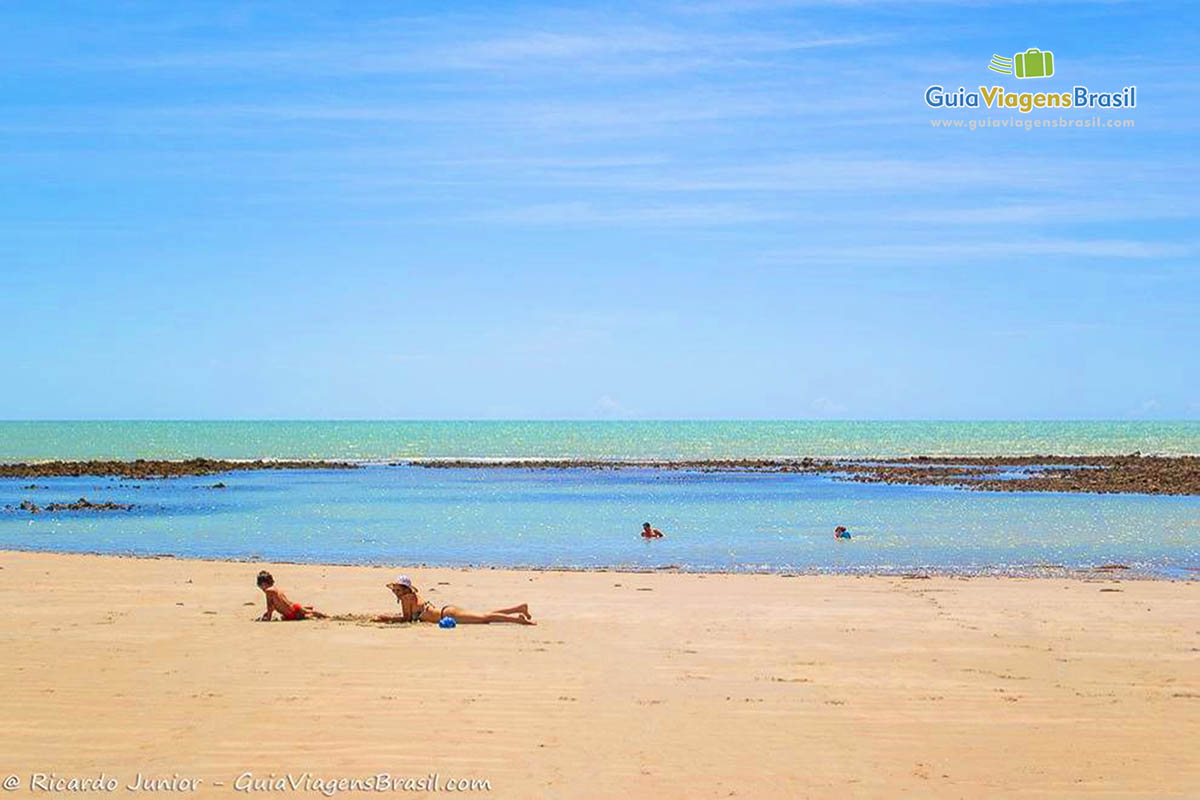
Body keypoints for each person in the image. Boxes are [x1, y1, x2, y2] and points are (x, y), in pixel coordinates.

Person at [375, 575, 534, 625]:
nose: (395, 592)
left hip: (447, 615)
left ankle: (519, 621)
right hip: (446, 611)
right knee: (484, 615)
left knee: (485, 618)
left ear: (405, 590)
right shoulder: (412, 596)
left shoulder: (406, 598)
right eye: (394, 590)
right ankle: (519, 608)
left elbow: (407, 619)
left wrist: (386, 618)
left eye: (398, 590)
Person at [255, 570, 328, 621]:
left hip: (290, 614)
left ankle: (316, 614)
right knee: (308, 612)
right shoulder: (275, 589)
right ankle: (326, 616)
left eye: (260, 585)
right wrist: (266, 614)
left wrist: (268, 619)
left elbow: (270, 607)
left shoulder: (269, 591)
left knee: (307, 615)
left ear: (263, 584)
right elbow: (276, 605)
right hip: (294, 606)